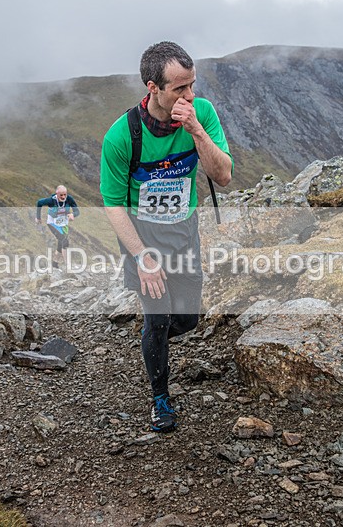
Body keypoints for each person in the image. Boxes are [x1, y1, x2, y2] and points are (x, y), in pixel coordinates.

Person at [99, 41, 233, 432]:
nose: (190, 95)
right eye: (180, 88)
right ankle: (160, 397)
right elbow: (113, 205)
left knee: (187, 320)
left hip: (184, 232)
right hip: (142, 238)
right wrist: (142, 257)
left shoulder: (202, 113)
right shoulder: (121, 136)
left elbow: (223, 176)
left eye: (192, 85)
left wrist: (195, 130)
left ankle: (151, 340)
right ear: (152, 87)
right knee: (157, 320)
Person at [36, 185, 80, 268]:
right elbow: (39, 202)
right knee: (64, 240)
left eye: (65, 195)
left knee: (61, 243)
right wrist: (38, 217)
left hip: (63, 224)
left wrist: (72, 214)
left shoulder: (69, 199)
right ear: (57, 194)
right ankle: (68, 265)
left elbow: (77, 211)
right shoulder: (51, 201)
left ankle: (54, 263)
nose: (63, 197)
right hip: (52, 223)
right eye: (61, 195)